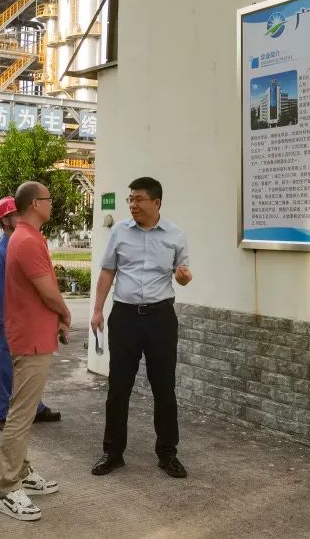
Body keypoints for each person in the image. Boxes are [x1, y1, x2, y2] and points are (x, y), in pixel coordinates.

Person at [90, 177, 192, 479]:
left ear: (156, 202)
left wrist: (184, 277)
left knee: (164, 388)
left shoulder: (175, 235)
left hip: (160, 318)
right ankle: (113, 453)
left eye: (138, 199)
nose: (132, 205)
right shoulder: (120, 232)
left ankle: (167, 453)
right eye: (130, 199)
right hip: (125, 316)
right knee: (118, 387)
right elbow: (108, 271)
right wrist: (97, 310)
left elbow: (183, 275)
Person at [0, 181, 71, 522]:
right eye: (48, 199)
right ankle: (8, 486)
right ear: (35, 204)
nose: (51, 203)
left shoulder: (27, 236)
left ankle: (22, 471)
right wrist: (65, 313)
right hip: (31, 338)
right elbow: (48, 291)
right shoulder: (26, 240)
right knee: (21, 415)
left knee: (21, 409)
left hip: (33, 334)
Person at [0, 196, 61, 430]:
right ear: (4, 221)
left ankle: (35, 407)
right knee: (5, 369)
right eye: (14, 215)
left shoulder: (25, 243)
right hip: (7, 321)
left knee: (30, 369)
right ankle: (1, 413)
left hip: (26, 319)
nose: (20, 218)